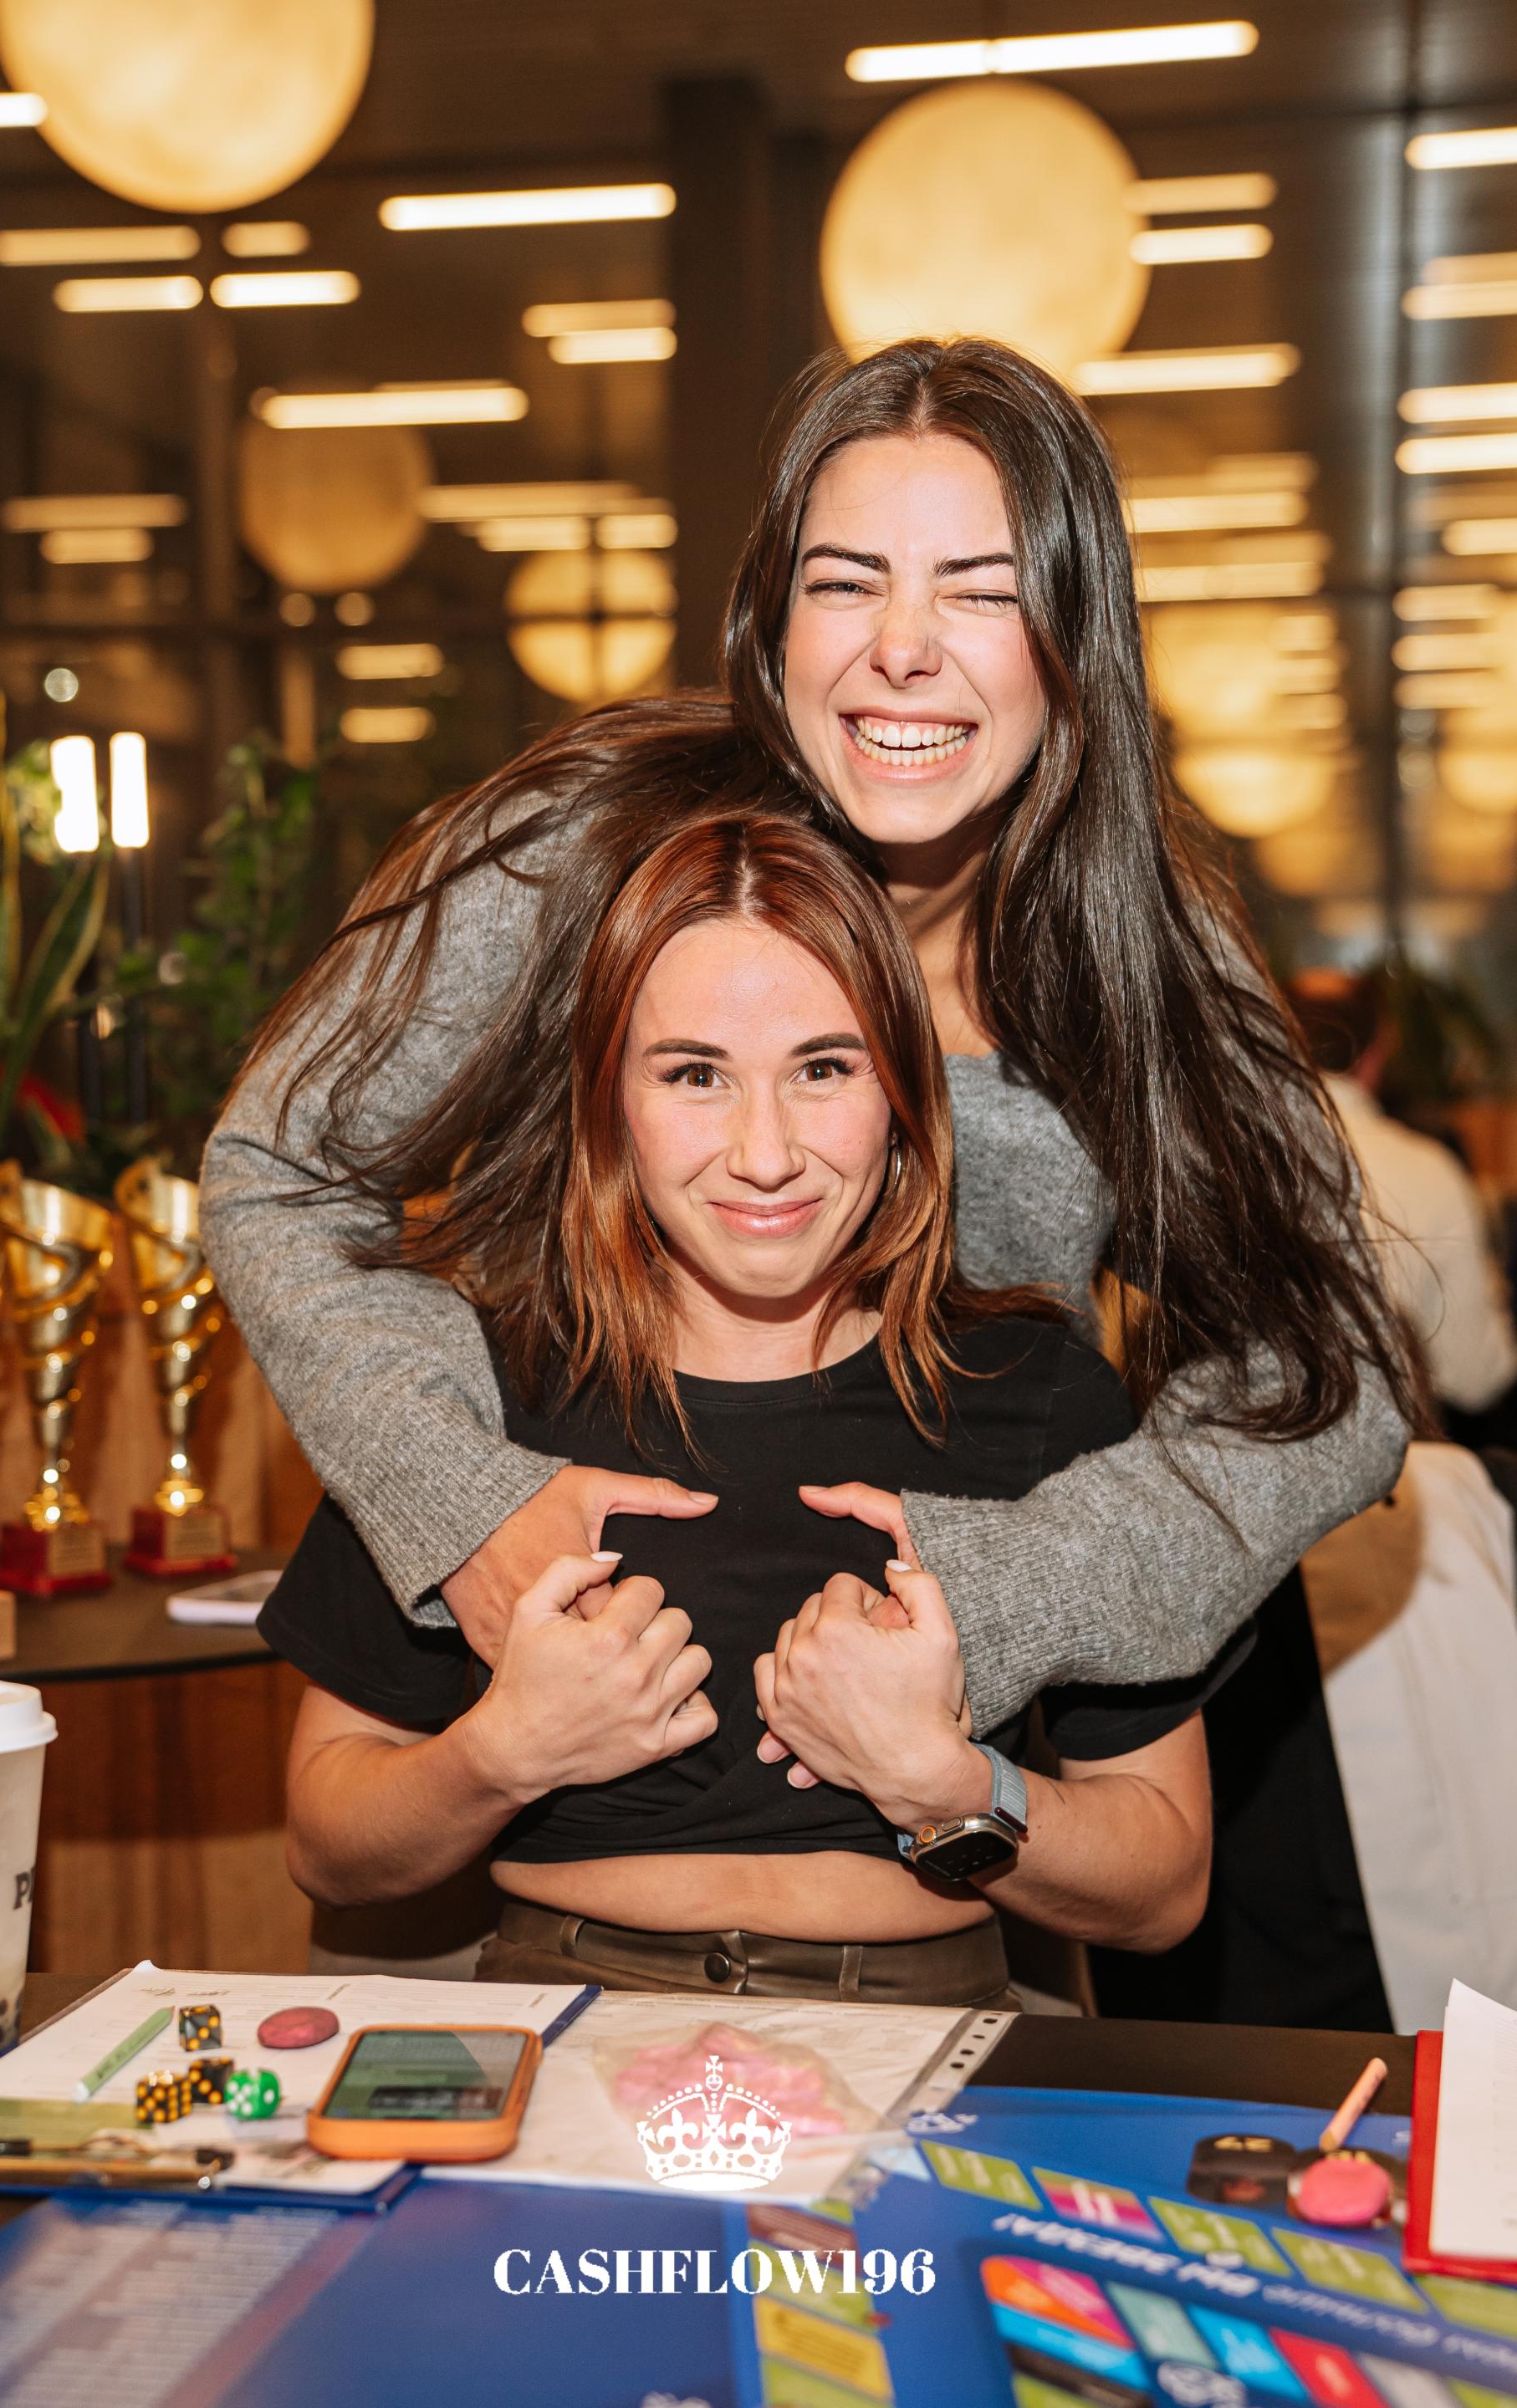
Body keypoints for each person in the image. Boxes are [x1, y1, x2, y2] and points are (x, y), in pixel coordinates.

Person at [202, 336, 1424, 1746]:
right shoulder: (584, 851)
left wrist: (1012, 1591)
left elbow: (1330, 1363)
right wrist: (467, 1503)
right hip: (568, 1722)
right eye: (845, 582)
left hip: (956, 1764)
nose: (902, 648)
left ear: (1074, 639)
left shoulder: (1141, 944)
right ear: (772, 623)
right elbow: (277, 1171)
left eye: (983, 591)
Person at [264, 814, 1234, 2007]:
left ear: (904, 1093)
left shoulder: (1039, 1396)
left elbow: (1163, 1884)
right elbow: (330, 1845)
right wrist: (502, 1754)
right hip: (563, 2020)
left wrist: (945, 1784)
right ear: (609, 1101)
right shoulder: (464, 1399)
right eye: (695, 1075)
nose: (764, 1154)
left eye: (824, 1069)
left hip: (928, 2024)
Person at [1286, 967, 1517, 1450]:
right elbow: (1477, 1377)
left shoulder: (1223, 1161)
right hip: (1396, 1461)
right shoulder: (1430, 1170)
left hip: (1245, 1460)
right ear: (1375, 1054)